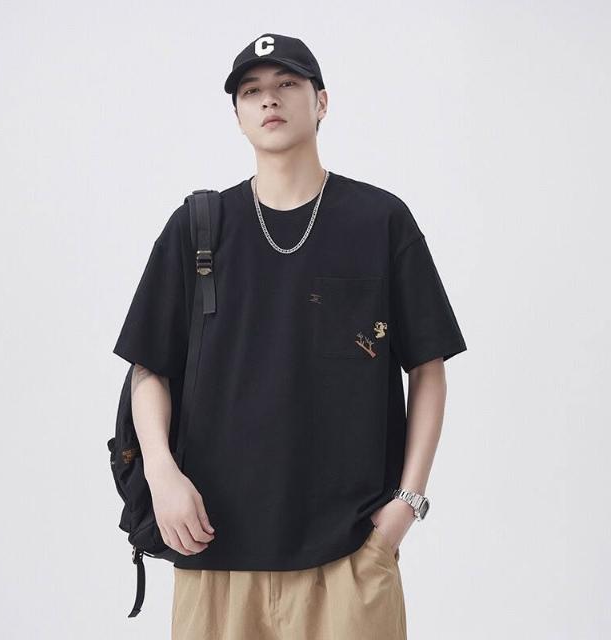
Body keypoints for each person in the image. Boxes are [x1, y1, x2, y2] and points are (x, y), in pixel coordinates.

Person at [113, 32, 467, 640]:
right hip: (214, 552)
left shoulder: (379, 220)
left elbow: (428, 366)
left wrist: (405, 507)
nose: (269, 100)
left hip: (349, 554)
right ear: (238, 115)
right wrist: (161, 476)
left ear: (321, 101)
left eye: (286, 85)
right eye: (251, 92)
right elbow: (150, 369)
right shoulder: (198, 227)